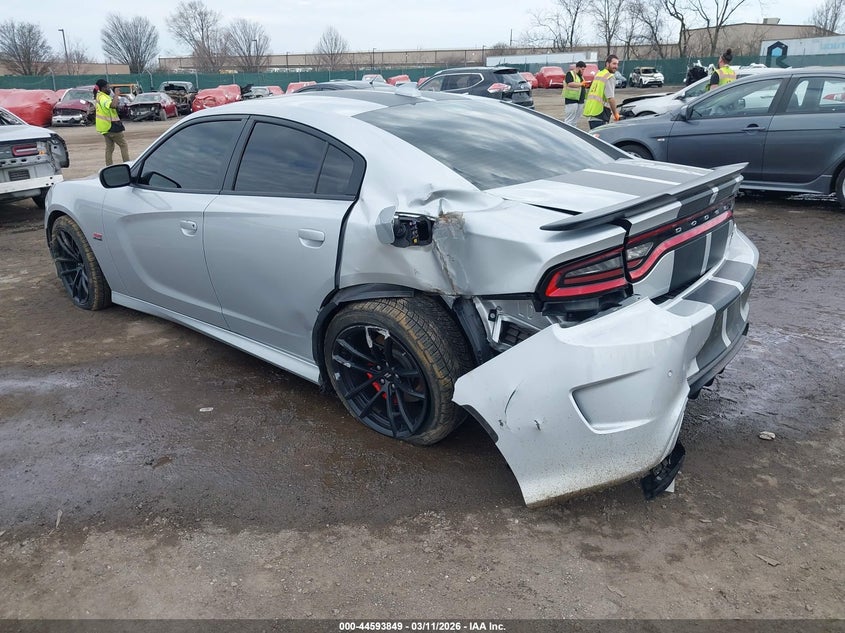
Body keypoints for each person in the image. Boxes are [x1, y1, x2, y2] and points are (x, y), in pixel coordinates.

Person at [94, 79, 130, 166]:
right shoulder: (103, 98)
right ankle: (128, 165)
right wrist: (116, 95)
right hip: (112, 126)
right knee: (123, 145)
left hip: (105, 128)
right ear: (103, 88)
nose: (109, 89)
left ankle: (109, 166)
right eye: (107, 87)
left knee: (109, 148)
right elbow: (113, 105)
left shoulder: (99, 96)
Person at [583, 54, 621, 129]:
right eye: (614, 64)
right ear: (607, 64)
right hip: (600, 114)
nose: (616, 66)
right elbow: (611, 98)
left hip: (592, 112)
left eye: (617, 64)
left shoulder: (599, 74)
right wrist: (615, 114)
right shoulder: (609, 77)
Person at [563, 61, 589, 127]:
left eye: (584, 69)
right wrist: (581, 84)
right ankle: (566, 132)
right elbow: (570, 83)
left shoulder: (581, 76)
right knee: (569, 120)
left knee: (575, 120)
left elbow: (581, 85)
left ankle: (573, 132)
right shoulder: (570, 74)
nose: (583, 71)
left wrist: (585, 85)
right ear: (578, 68)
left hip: (580, 101)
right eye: (582, 69)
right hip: (571, 100)